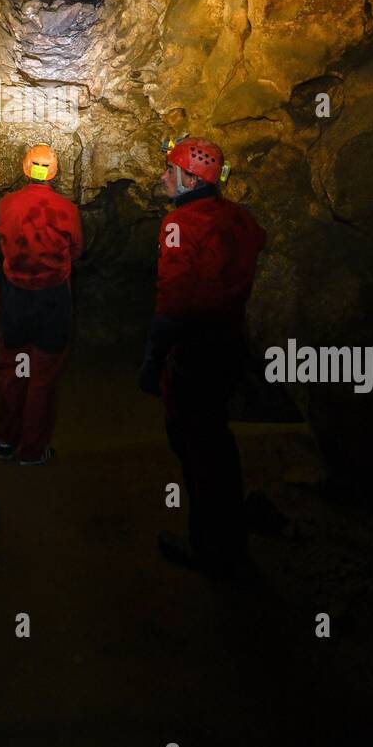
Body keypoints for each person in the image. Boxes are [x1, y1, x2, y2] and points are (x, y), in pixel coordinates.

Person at [138, 134, 266, 577]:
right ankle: (228, 538)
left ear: (190, 179)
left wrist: (153, 360)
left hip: (194, 348)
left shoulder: (180, 225)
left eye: (169, 170)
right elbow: (256, 240)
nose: (162, 176)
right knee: (216, 442)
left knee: (195, 448)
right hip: (230, 341)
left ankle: (213, 550)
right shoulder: (238, 217)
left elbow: (172, 302)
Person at [0, 142, 83, 465]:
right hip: (51, 301)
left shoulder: (7, 204)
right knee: (42, 377)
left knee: (14, 371)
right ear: (54, 172)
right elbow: (76, 250)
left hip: (16, 300)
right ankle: (31, 450)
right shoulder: (67, 209)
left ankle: (5, 439)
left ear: (25, 167)